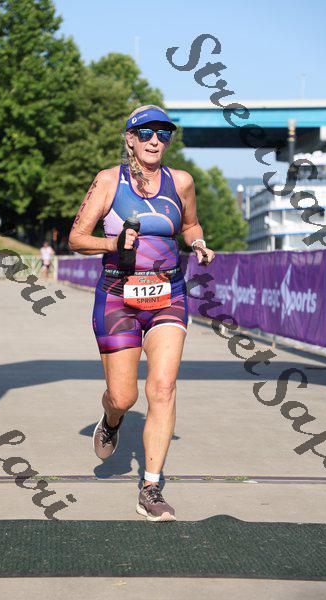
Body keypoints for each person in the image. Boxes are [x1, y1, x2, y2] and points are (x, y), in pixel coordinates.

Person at [68, 104, 215, 522]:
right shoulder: (108, 181)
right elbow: (76, 238)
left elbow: (189, 224)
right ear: (130, 138)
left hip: (169, 293)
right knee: (124, 396)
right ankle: (112, 418)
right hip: (118, 296)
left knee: (163, 389)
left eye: (163, 134)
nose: (155, 141)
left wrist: (198, 243)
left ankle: (150, 487)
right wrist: (113, 244)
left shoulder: (181, 181)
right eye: (146, 133)